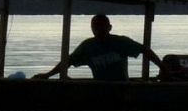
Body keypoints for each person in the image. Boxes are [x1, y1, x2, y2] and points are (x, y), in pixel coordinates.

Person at [34, 13, 166, 81]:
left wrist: (163, 68)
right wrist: (48, 75)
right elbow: (68, 61)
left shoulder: (121, 42)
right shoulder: (87, 46)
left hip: (121, 87)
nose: (98, 31)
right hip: (100, 86)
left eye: (102, 27)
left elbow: (145, 50)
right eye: (95, 28)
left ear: (109, 28)